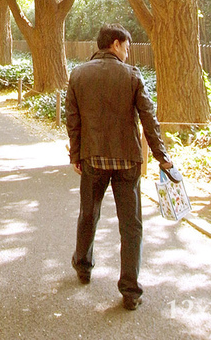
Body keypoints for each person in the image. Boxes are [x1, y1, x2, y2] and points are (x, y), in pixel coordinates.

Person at [66, 23, 172, 311]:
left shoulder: (78, 75)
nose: (128, 52)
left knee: (89, 213)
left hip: (92, 158)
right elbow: (148, 118)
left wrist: (75, 154)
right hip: (127, 160)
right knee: (131, 225)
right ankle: (130, 290)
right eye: (126, 46)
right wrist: (162, 155)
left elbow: (72, 120)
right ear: (115, 44)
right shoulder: (132, 76)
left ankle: (83, 265)